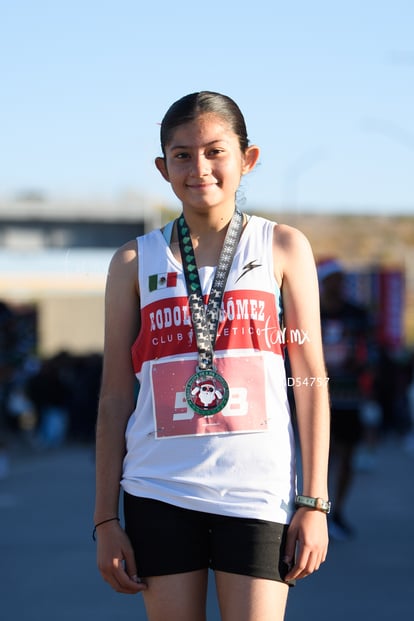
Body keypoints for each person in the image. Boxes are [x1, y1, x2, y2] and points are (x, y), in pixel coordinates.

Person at [94, 91, 330, 621]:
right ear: (163, 167)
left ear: (248, 159)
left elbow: (311, 381)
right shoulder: (133, 261)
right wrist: (105, 519)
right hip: (158, 488)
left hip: (258, 492)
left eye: (215, 151)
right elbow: (113, 397)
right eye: (182, 155)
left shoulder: (283, 247)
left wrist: (314, 503)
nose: (199, 167)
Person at [318, 258, 377, 540]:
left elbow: (373, 351)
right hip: (317, 394)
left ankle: (337, 511)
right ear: (323, 281)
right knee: (321, 455)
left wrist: (363, 368)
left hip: (350, 396)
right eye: (333, 278)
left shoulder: (357, 313)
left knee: (347, 455)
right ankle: (317, 509)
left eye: (342, 279)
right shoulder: (310, 311)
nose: (339, 284)